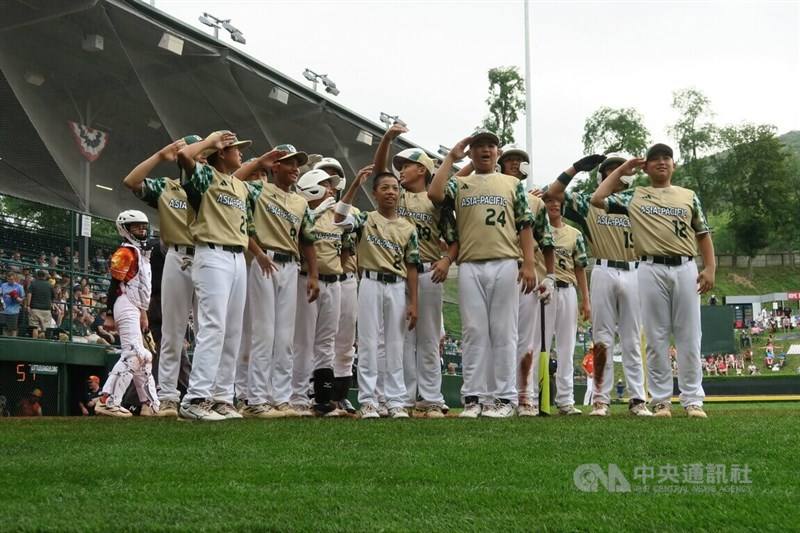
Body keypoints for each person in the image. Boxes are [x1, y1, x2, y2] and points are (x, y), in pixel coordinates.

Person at [591, 143, 716, 418]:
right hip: (649, 267)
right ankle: (661, 400)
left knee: (690, 334)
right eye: (655, 159)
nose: (661, 162)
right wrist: (623, 169)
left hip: (685, 266)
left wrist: (709, 268)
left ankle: (693, 399)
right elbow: (598, 198)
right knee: (656, 336)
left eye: (666, 158)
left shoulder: (688, 196)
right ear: (645, 167)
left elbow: (703, 233)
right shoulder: (635, 195)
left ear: (674, 164)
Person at [428, 129, 536, 418]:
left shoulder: (512, 184)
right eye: (478, 146)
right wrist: (451, 157)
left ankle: (504, 398)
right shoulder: (461, 183)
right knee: (473, 331)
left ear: (498, 152)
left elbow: (525, 224)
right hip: (471, 264)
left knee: (503, 331)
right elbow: (434, 193)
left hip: (504, 261)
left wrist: (528, 262)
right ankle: (473, 398)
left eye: (490, 145)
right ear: (471, 152)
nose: (485, 150)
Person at [541, 154, 652, 417]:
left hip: (634, 269)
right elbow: (553, 192)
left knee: (632, 338)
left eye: (620, 169)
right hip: (603, 268)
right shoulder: (587, 202)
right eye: (610, 170)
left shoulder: (637, 199)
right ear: (602, 175)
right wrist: (576, 168)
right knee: (601, 338)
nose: (615, 173)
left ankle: (638, 399)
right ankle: (601, 399)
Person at [374, 124, 457, 418]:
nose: (401, 171)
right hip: (398, 274)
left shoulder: (435, 199)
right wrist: (387, 138)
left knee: (429, 338)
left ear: (422, 169)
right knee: (402, 338)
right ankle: (404, 397)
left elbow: (454, 238)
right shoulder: (398, 195)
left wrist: (447, 260)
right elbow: (379, 170)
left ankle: (431, 398)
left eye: (406, 166)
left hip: (427, 272)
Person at [175, 130, 255, 421]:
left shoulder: (239, 185)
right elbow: (184, 156)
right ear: (222, 152)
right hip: (211, 253)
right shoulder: (204, 176)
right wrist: (211, 140)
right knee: (214, 327)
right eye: (237, 149)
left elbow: (248, 173)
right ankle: (196, 398)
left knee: (233, 330)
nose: (241, 153)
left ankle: (222, 397)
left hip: (236, 257)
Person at [234, 145, 318, 419]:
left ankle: (281, 398)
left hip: (291, 264)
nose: (295, 168)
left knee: (284, 337)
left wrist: (314, 274)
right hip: (264, 260)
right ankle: (257, 398)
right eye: (289, 163)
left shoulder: (301, 202)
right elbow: (234, 180)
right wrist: (260, 159)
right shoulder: (258, 190)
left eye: (297, 164)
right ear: (275, 167)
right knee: (264, 333)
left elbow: (307, 239)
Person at [123, 136, 203, 417]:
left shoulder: (213, 186)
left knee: (208, 330)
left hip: (209, 256)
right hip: (178, 255)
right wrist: (160, 155)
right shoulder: (169, 188)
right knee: (172, 332)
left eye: (205, 153)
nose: (201, 157)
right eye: (197, 152)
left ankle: (203, 396)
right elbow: (132, 181)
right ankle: (168, 397)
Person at [334, 165, 420, 419]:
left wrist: (414, 301)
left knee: (395, 344)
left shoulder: (407, 228)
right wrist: (353, 186)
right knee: (370, 342)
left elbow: (412, 265)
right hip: (370, 281)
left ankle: (394, 400)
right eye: (384, 188)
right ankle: (369, 400)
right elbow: (338, 218)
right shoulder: (365, 218)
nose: (391, 192)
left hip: (397, 284)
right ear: (375, 192)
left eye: (395, 188)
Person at [291, 168, 346, 416]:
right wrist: (317, 210)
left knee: (327, 342)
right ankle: (298, 396)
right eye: (326, 184)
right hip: (306, 279)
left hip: (334, 282)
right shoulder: (304, 211)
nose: (332, 189)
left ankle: (324, 399)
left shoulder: (337, 216)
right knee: (302, 340)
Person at [95, 210, 160, 417]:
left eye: (143, 225)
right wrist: (109, 314)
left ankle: (150, 404)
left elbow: (141, 287)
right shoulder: (125, 252)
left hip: (136, 306)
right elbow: (115, 284)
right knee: (134, 353)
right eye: (136, 226)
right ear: (125, 228)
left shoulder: (140, 252)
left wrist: (143, 313)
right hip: (123, 303)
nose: (141, 229)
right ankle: (107, 400)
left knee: (144, 357)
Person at [545, 196, 590, 415]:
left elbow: (580, 267)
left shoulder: (575, 234)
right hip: (544, 290)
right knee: (538, 346)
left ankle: (566, 400)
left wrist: (586, 300)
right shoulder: (536, 229)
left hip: (568, 289)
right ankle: (535, 398)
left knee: (566, 347)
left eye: (557, 202)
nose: (554, 204)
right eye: (549, 201)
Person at [320, 160, 358, 414]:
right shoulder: (309, 209)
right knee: (321, 340)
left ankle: (340, 394)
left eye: (335, 178)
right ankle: (318, 393)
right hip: (321, 278)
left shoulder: (351, 211)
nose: (330, 184)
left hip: (347, 279)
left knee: (345, 342)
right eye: (325, 178)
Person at [25, 270, 55, 339]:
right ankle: (42, 345)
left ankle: (34, 344)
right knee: (44, 329)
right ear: (45, 276)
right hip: (46, 310)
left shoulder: (33, 284)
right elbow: (53, 297)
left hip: (35, 309)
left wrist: (28, 305)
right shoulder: (49, 285)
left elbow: (29, 294)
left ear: (37, 276)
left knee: (35, 328)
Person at [1, 272, 25, 336]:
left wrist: (16, 297)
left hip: (14, 311)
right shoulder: (3, 285)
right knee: (4, 328)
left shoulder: (19, 287)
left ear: (15, 279)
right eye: (8, 279)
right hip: (3, 311)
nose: (10, 281)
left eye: (11, 279)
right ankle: (5, 344)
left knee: (13, 329)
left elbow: (22, 300)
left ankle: (13, 342)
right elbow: (1, 295)